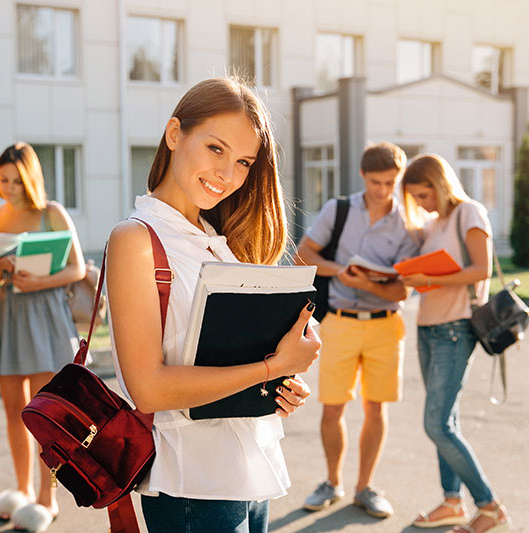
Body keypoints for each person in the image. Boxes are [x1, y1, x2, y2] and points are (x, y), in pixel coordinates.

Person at [105, 77, 320, 533]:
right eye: (216, 149)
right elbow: (149, 389)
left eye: (243, 161)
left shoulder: (217, 241)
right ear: (174, 134)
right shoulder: (136, 239)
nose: (228, 174)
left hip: (247, 469)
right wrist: (269, 367)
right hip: (191, 482)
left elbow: (221, 357)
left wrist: (280, 380)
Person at [295, 142, 420, 519]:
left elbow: (403, 289)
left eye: (391, 182)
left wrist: (368, 285)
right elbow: (305, 255)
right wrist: (342, 271)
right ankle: (332, 482)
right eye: (377, 182)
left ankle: (365, 487)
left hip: (385, 325)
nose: (384, 190)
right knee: (332, 408)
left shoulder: (408, 222)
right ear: (363, 176)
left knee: (375, 408)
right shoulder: (339, 209)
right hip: (340, 323)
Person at [400, 154, 511, 533]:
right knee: (447, 420)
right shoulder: (435, 223)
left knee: (437, 424)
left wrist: (429, 280)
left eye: (423, 195)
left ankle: (490, 506)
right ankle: (452, 502)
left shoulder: (469, 212)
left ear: (440, 183)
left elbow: (480, 269)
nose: (421, 204)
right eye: (414, 198)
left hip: (456, 328)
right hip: (428, 326)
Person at [0, 142, 86, 526]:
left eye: (14, 179)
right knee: (13, 411)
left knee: (42, 414)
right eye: (1, 179)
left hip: (45, 314)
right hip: (9, 313)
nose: (8, 187)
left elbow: (76, 269)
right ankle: (23, 490)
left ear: (30, 178)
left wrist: (38, 281)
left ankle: (47, 497)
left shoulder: (52, 213)